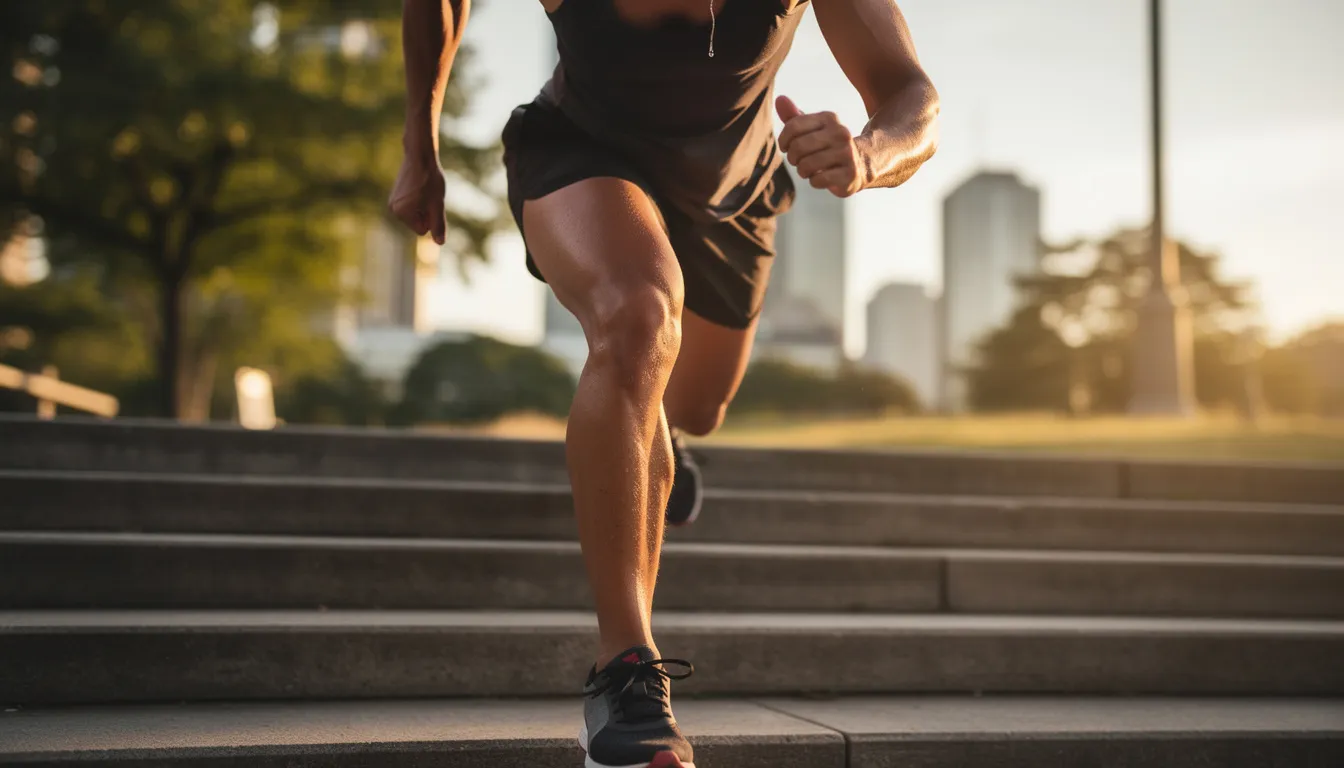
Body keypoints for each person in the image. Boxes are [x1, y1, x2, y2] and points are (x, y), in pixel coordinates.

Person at [390, 0, 938, 764]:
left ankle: (663, 431)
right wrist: (420, 139)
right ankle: (625, 672)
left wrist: (871, 155)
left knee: (700, 407)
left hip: (733, 193)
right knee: (639, 318)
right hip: (583, 152)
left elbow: (911, 95)